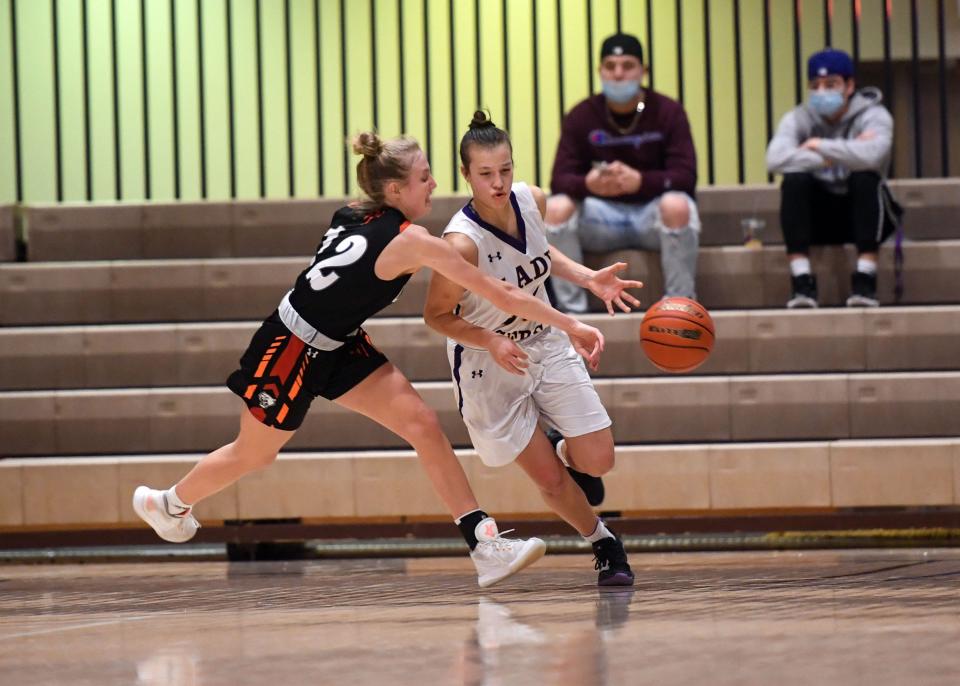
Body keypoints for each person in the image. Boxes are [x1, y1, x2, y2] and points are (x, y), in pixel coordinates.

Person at [133, 132, 609, 589]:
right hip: (291, 347)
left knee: (422, 424)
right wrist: (573, 324)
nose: (435, 185)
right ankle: (169, 503)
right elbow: (499, 291)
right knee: (254, 454)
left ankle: (484, 544)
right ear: (396, 189)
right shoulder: (415, 241)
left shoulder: (353, 212)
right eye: (425, 178)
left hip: (340, 340)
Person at [423, 111, 643, 586]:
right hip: (488, 362)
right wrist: (488, 339)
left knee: (598, 460)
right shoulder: (461, 244)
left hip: (543, 340)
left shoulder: (531, 199)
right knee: (548, 480)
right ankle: (604, 541)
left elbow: (539, 254)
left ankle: (561, 445)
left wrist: (589, 278)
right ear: (466, 175)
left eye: (505, 169)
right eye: (485, 174)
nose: (498, 182)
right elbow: (436, 316)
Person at [545, 32, 699, 313]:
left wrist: (640, 181)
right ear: (599, 71)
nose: (618, 73)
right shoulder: (582, 115)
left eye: (627, 65)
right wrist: (589, 184)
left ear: (644, 70)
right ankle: (571, 312)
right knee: (555, 208)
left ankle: (680, 307)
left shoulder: (669, 111)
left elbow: (686, 176)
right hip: (602, 220)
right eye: (610, 65)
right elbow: (559, 180)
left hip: (651, 217)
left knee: (677, 204)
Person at [766, 48, 903, 308]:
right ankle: (802, 282)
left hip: (862, 212)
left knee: (865, 177)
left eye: (830, 85)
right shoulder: (798, 117)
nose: (821, 92)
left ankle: (865, 279)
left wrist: (818, 145)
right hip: (818, 215)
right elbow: (774, 160)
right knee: (794, 181)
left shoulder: (875, 115)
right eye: (815, 86)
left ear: (849, 86)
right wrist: (841, 152)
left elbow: (872, 157)